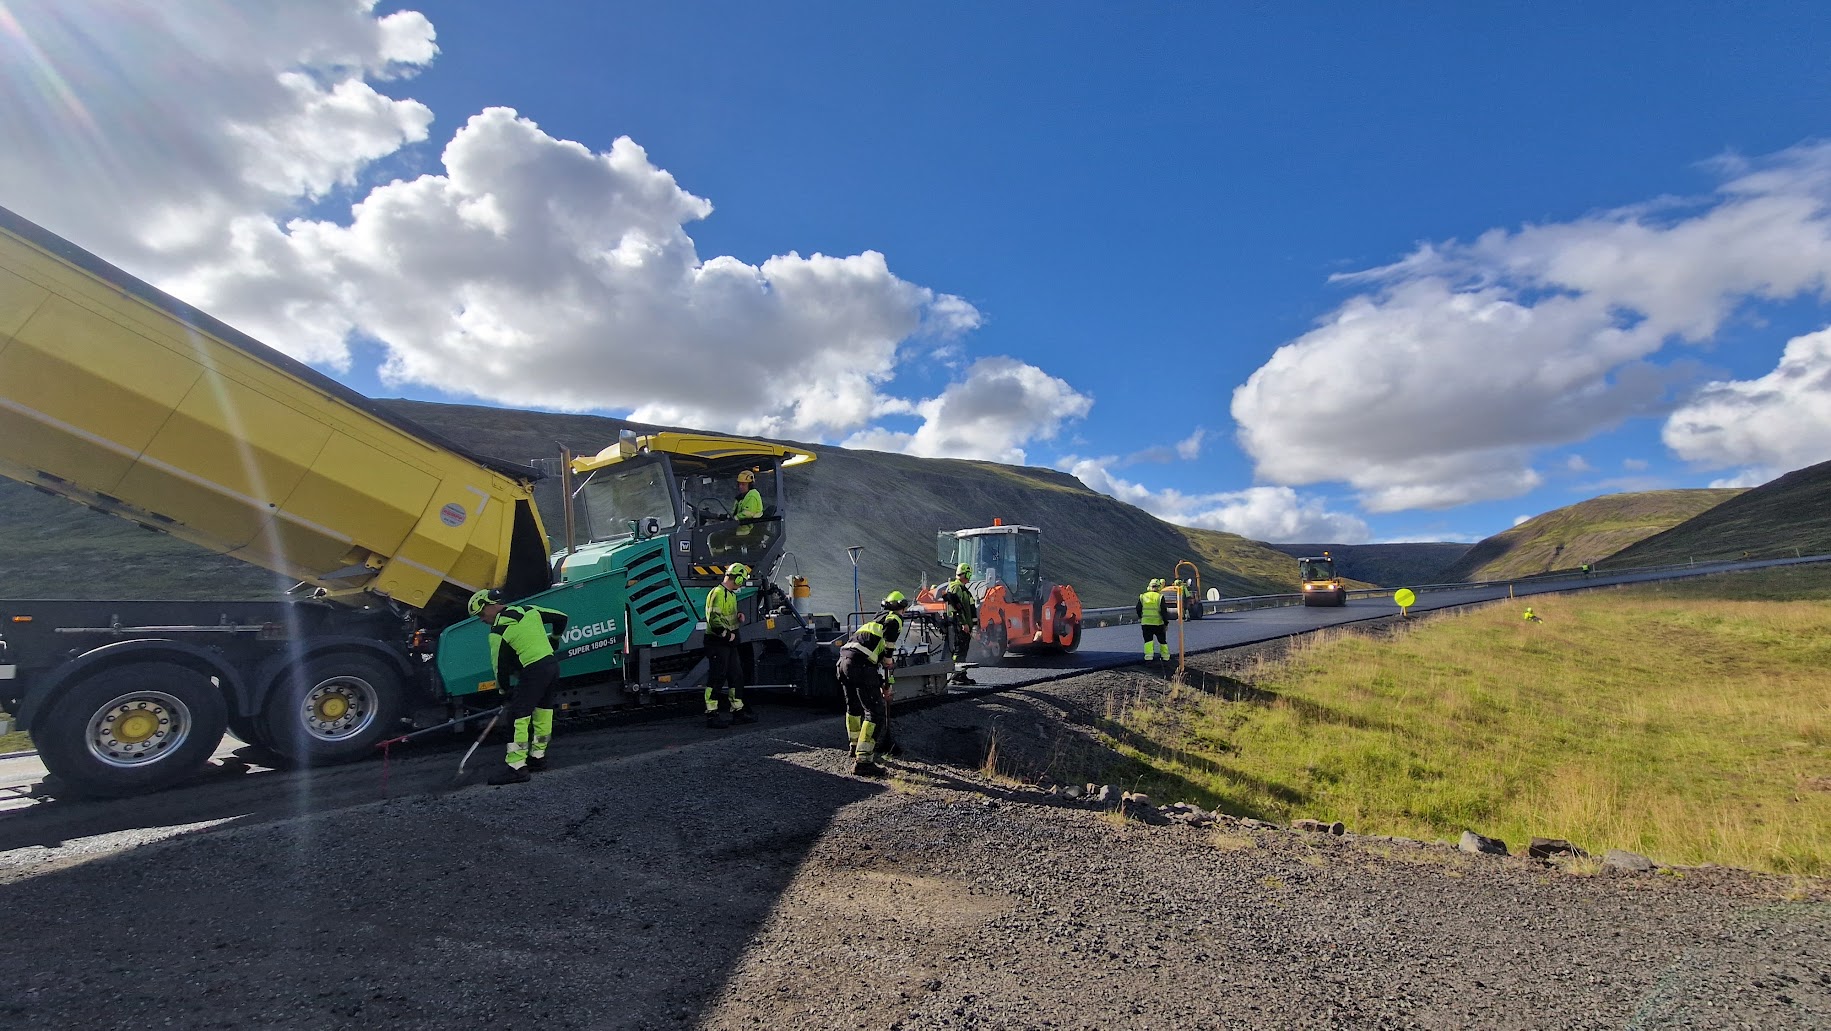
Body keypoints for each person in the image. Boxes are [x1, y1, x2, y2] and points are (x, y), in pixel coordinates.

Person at [470, 588, 569, 785]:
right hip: (551, 666)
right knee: (543, 713)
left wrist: (503, 691)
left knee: (517, 716)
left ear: (490, 606)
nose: (481, 619)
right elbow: (562, 618)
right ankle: (538, 758)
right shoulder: (528, 610)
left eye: (481, 614)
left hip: (534, 671)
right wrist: (554, 639)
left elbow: (499, 667)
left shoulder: (498, 631)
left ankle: (516, 768)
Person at [836, 605, 898, 777]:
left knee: (853, 707)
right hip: (860, 665)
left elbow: (873, 668)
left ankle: (855, 746)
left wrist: (884, 684)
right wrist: (888, 664)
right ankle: (863, 762)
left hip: (842, 663)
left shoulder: (869, 628)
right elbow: (881, 665)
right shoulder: (893, 621)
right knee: (875, 712)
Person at [704, 563, 757, 728]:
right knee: (717, 677)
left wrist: (738, 616)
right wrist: (728, 636)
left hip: (729, 643)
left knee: (736, 676)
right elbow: (714, 620)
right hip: (718, 643)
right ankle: (712, 715)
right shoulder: (717, 593)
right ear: (738, 578)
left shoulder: (731, 595)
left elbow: (727, 616)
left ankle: (738, 712)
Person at [939, 563, 979, 685]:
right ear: (965, 574)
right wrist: (963, 623)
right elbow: (954, 608)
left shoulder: (963, 589)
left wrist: (973, 625)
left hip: (963, 626)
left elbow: (968, 608)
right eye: (969, 574)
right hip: (958, 626)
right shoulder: (956, 587)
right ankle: (957, 675)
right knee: (959, 650)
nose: (969, 577)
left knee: (962, 650)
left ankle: (960, 674)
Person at [1138, 578, 1169, 662]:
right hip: (1158, 624)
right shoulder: (1160, 597)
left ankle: (1148, 657)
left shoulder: (1143, 596)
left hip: (1146, 624)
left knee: (1148, 641)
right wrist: (1166, 623)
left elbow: (1138, 609)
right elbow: (1163, 611)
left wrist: (1142, 618)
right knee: (1162, 641)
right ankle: (1165, 657)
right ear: (1159, 587)